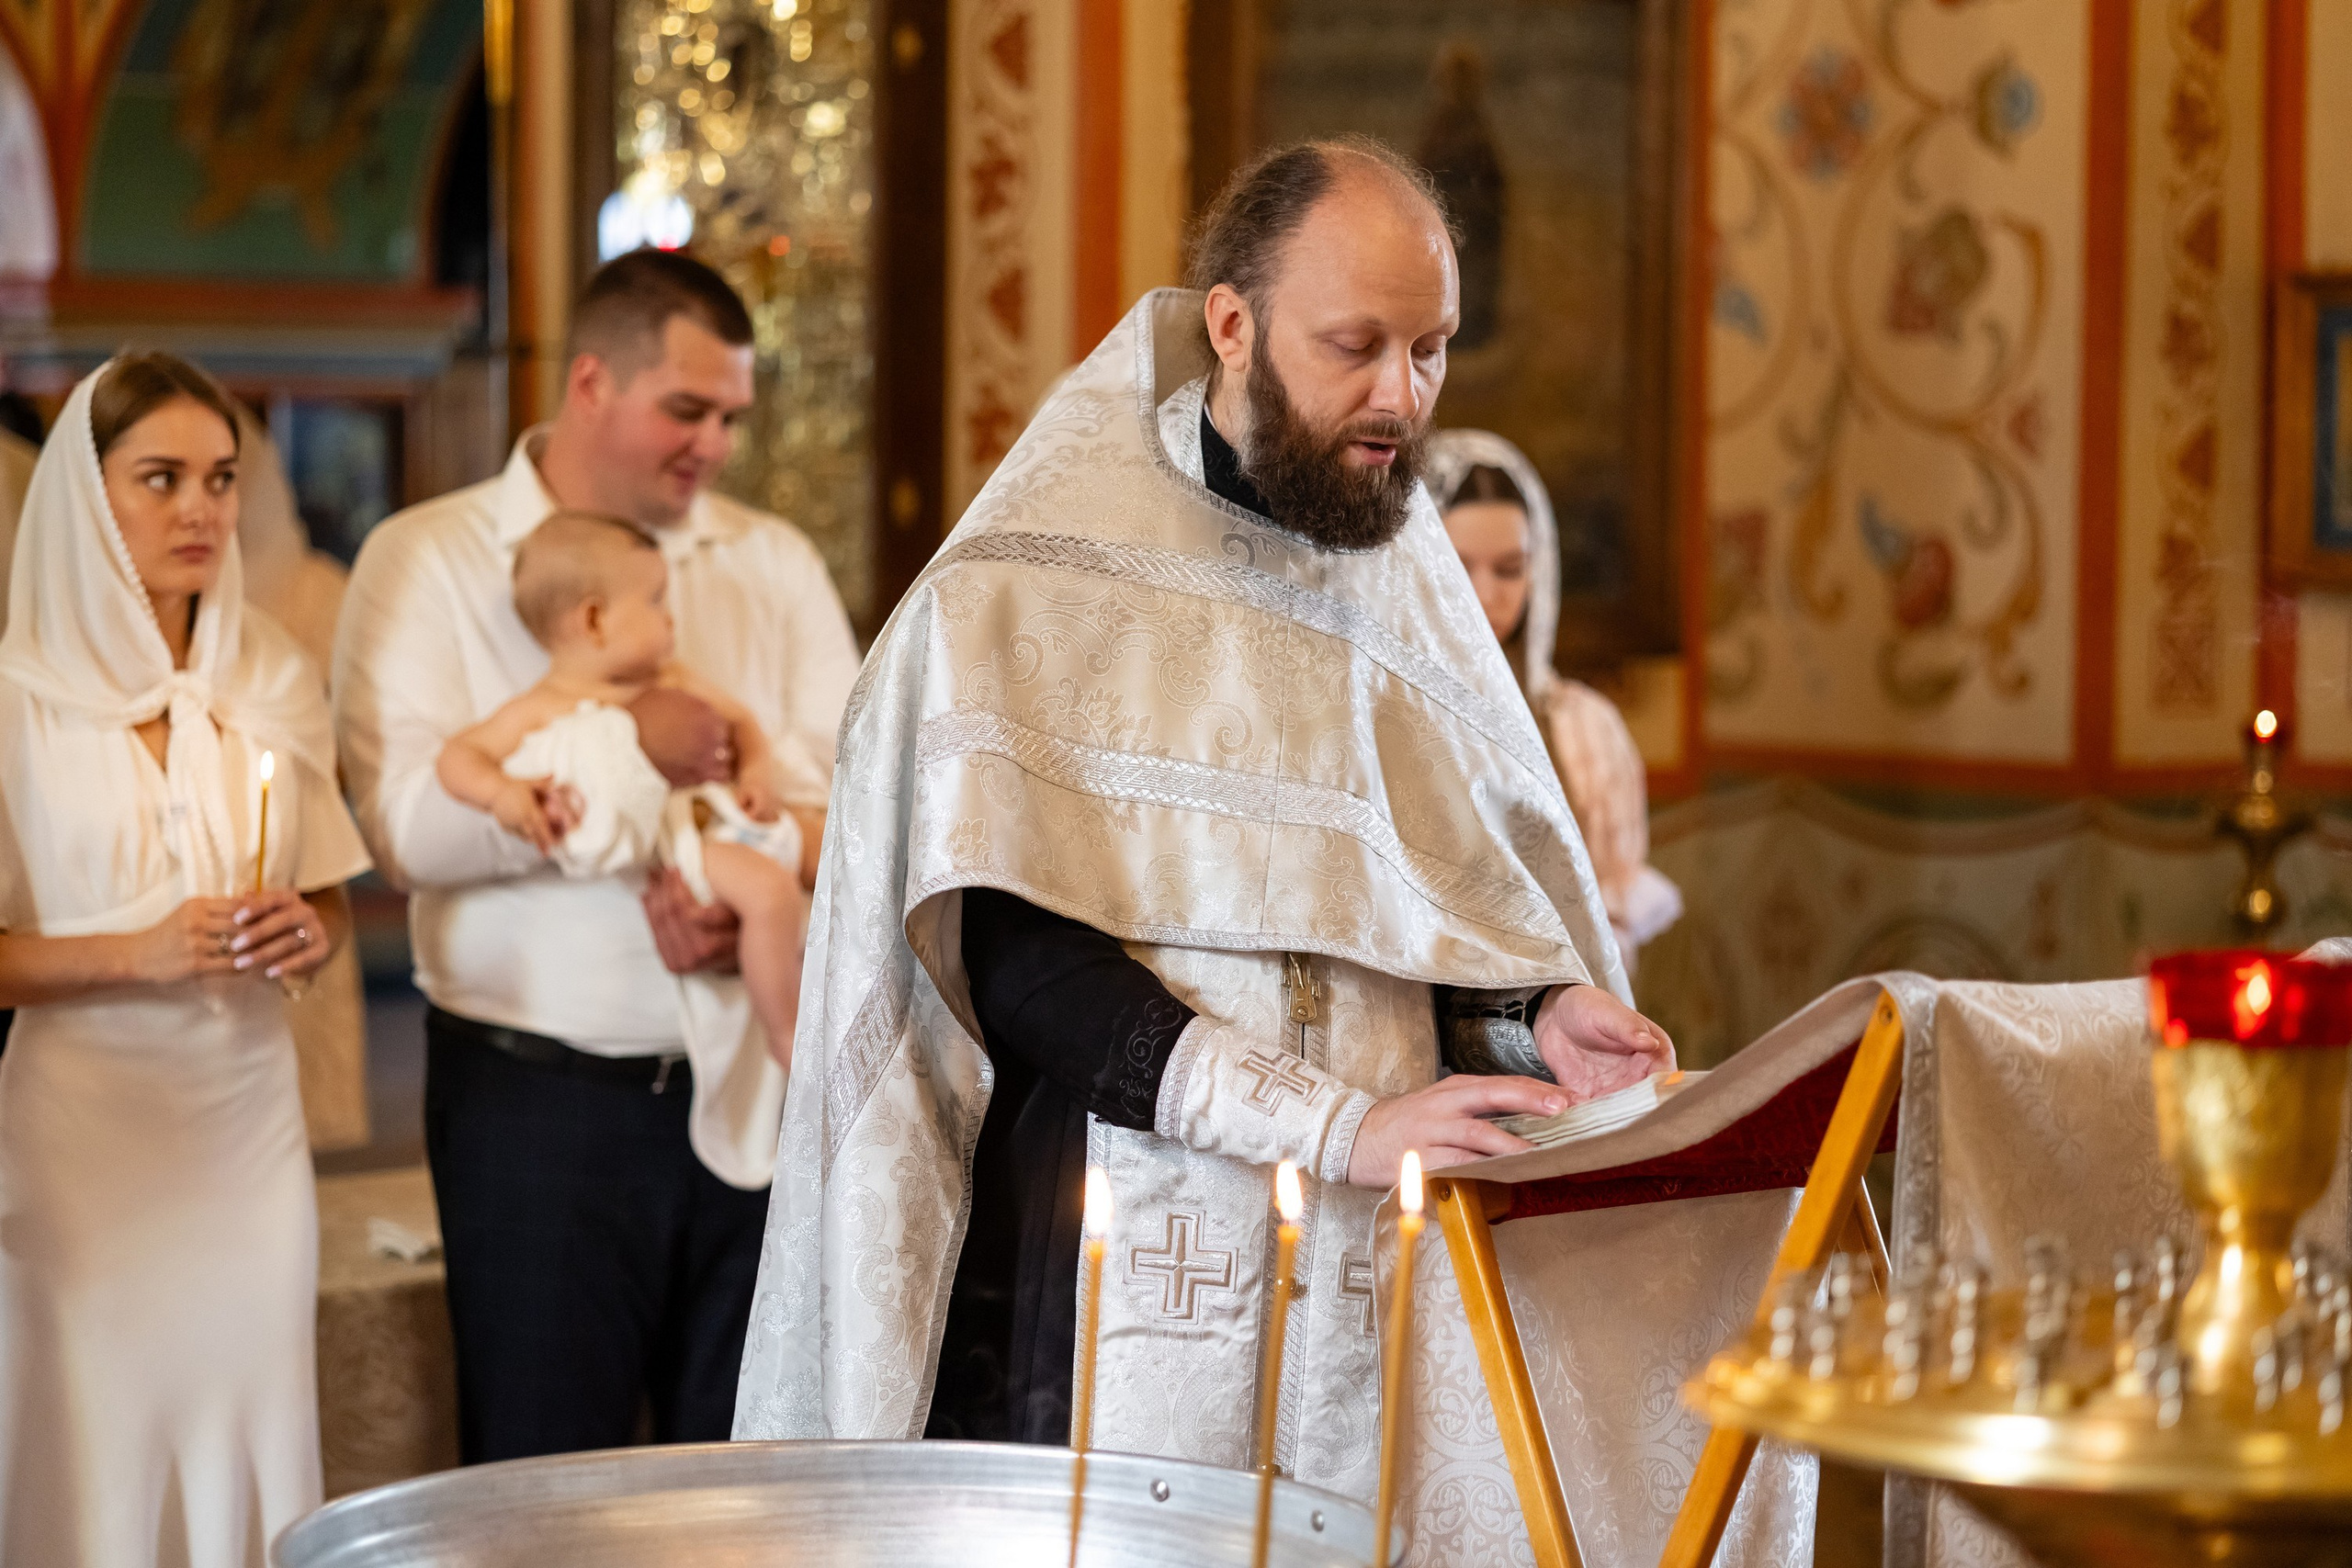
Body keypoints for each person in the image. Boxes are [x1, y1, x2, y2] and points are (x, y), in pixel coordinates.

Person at [733, 137, 1673, 1502]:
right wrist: (1331, 1123)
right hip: (1102, 1242)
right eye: (1357, 344)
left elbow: (1437, 921)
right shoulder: (1027, 587)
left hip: (1370, 1245)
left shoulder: (1411, 598)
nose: (1401, 397)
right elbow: (1011, 958)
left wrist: (1535, 1010)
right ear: (1230, 325)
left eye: (1434, 349)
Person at [334, 249, 859, 1462]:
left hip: (751, 1082)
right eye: (688, 408)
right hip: (543, 1106)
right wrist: (624, 756)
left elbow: (859, 812)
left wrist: (763, 874)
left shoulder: (769, 560)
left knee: (743, 1485)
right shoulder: (429, 556)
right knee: (540, 1480)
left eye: (732, 414)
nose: (717, 443)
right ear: (588, 382)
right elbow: (403, 828)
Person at [0, 353, 369, 1565]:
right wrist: (139, 951)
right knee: (87, 1423)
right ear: (80, 496)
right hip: (82, 1133)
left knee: (244, 1416)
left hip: (243, 1128)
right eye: (159, 478)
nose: (202, 509)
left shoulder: (265, 667)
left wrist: (307, 931)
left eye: (220, 477)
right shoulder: (13, 695)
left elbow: (321, 890)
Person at [435, 510, 813, 1072]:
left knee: (842, 850)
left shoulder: (673, 678)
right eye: (657, 601)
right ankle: (789, 1038)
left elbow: (743, 723)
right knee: (770, 894)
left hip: (724, 815)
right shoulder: (541, 707)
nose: (671, 619)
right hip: (679, 845)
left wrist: (757, 773)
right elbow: (456, 758)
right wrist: (503, 794)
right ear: (593, 621)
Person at [1429, 430, 1682, 972]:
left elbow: (1609, 942)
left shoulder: (1583, 730)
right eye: (1459, 565)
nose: (1486, 595)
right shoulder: (1383, 711)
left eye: (1509, 569)